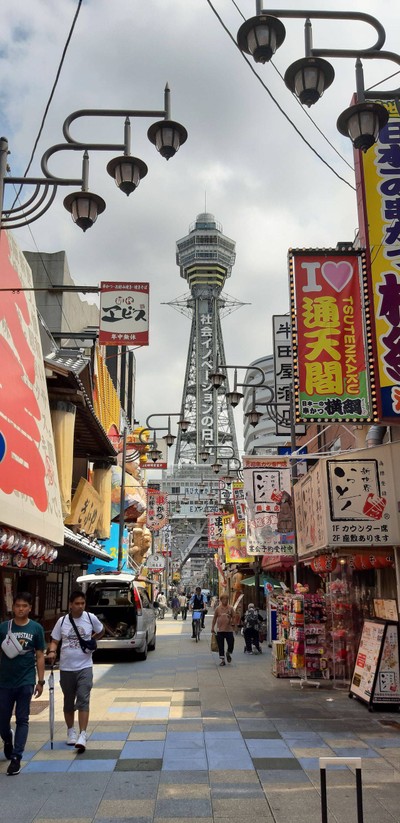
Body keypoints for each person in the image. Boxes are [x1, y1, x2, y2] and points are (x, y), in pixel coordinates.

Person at [47, 590, 103, 753]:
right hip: (66, 668)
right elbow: (55, 640)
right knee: (68, 700)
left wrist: (92, 640)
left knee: (84, 699)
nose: (80, 606)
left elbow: (101, 630)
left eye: (82, 603)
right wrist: (52, 651)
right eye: (77, 603)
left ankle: (82, 734)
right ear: (70, 605)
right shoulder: (62, 621)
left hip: (85, 666)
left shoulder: (90, 618)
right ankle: (71, 731)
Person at [0, 592, 45, 776]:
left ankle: (17, 757)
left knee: (22, 718)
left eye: (24, 606)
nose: (20, 609)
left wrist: (40, 681)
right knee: (2, 718)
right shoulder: (3, 628)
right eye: (17, 605)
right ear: (13, 607)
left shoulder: (36, 628)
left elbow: (40, 654)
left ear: (30, 608)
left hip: (26, 679)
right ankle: (7, 739)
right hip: (4, 680)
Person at [211, 594, 235, 666]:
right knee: (221, 646)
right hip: (220, 630)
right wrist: (212, 627)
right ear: (221, 600)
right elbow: (215, 618)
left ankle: (228, 652)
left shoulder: (230, 608)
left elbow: (234, 617)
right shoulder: (218, 608)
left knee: (231, 643)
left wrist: (234, 625)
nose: (225, 601)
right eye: (224, 599)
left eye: (227, 599)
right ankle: (222, 660)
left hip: (229, 630)